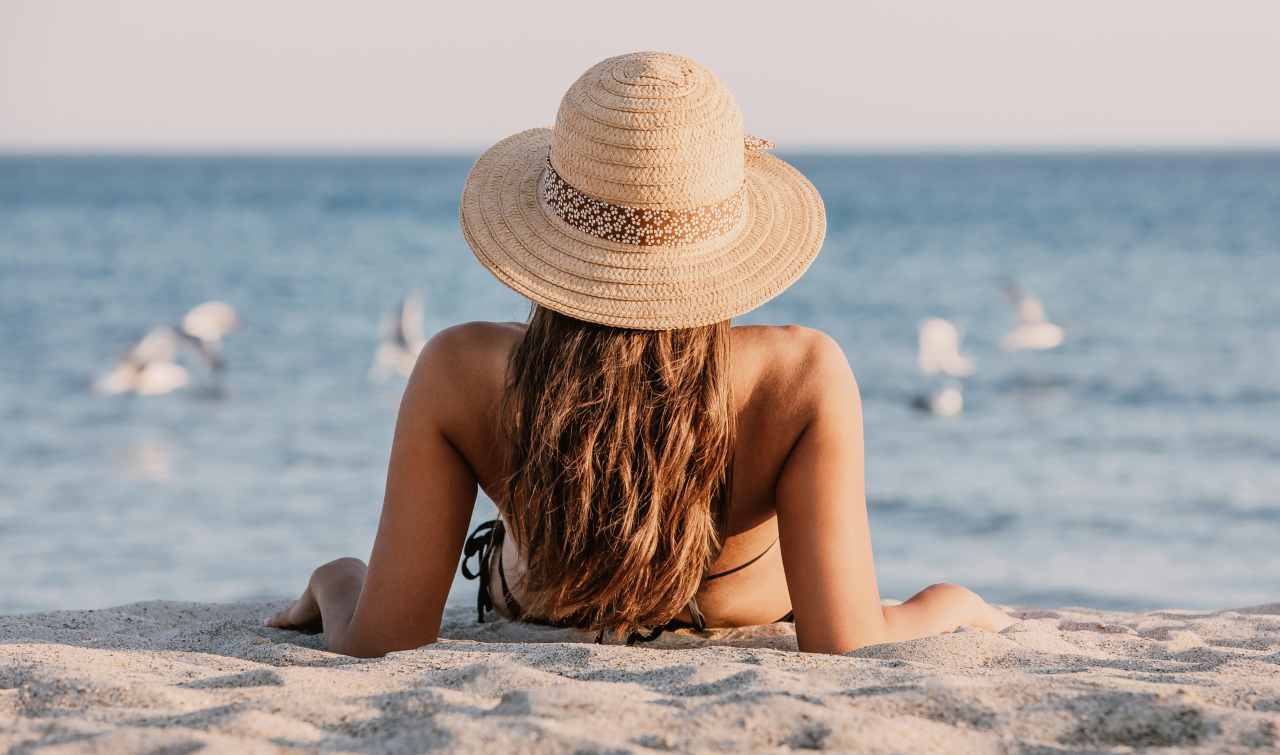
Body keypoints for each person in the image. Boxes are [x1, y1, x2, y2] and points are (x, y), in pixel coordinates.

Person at [266, 52, 1013, 656]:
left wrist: (336, 579)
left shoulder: (460, 371)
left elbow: (384, 638)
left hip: (538, 605)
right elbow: (846, 640)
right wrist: (950, 604)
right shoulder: (800, 377)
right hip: (742, 607)